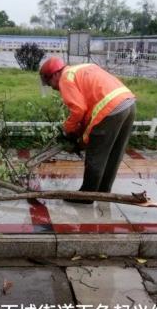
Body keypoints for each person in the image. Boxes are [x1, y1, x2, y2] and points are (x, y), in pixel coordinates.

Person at [39, 57, 137, 204]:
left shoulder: (65, 79)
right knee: (113, 155)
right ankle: (103, 192)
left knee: (96, 156)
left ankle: (87, 195)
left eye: (49, 83)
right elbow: (89, 109)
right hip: (128, 104)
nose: (52, 87)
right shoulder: (81, 68)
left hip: (111, 110)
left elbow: (79, 110)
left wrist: (68, 130)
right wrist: (80, 134)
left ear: (54, 75)